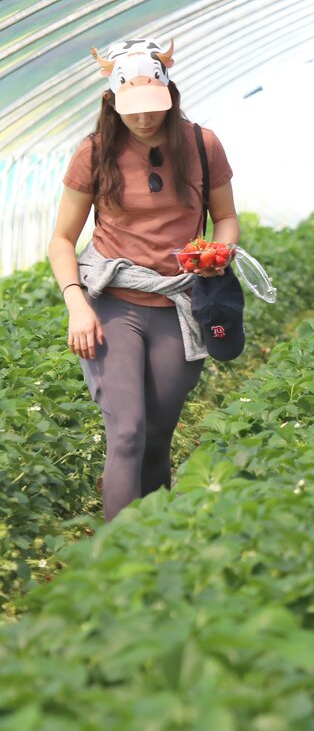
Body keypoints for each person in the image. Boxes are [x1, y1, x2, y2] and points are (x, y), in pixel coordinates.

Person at [48, 38, 239, 522]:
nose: (144, 118)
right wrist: (76, 304)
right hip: (112, 301)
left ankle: (151, 553)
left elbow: (227, 218)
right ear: (111, 101)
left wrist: (218, 253)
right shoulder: (93, 153)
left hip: (179, 303)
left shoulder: (202, 144)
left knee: (156, 435)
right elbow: (61, 239)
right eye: (132, 110)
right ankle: (117, 561)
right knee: (127, 431)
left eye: (154, 107)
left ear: (171, 94)